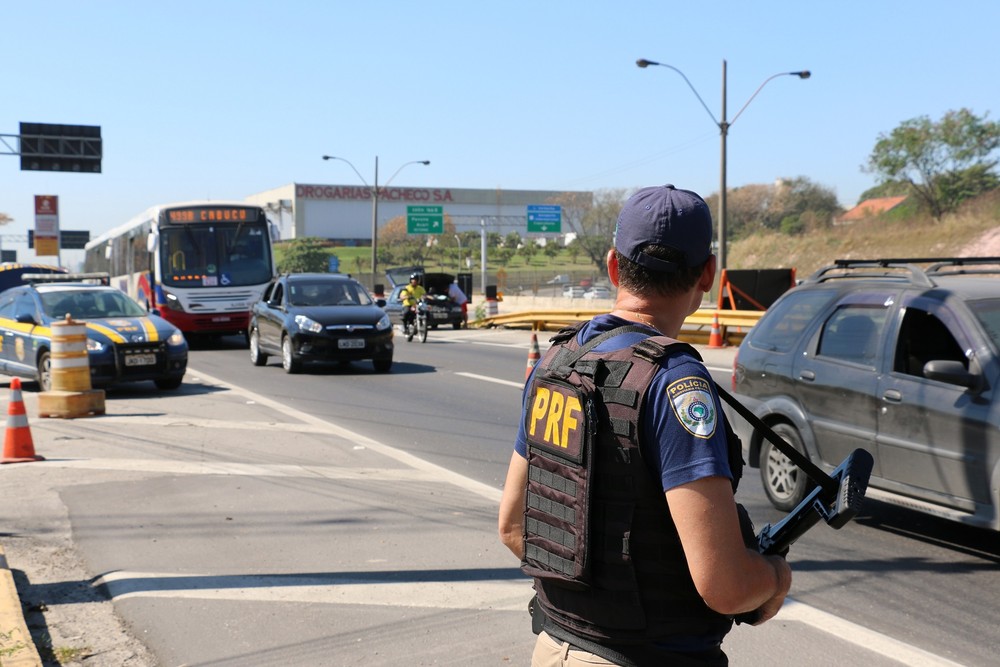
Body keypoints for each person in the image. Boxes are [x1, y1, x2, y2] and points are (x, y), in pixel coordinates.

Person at [498, 184, 792, 666]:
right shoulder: (677, 385)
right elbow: (724, 586)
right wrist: (775, 577)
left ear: (614, 265)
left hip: (554, 649)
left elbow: (514, 527)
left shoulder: (556, 362)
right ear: (708, 275)